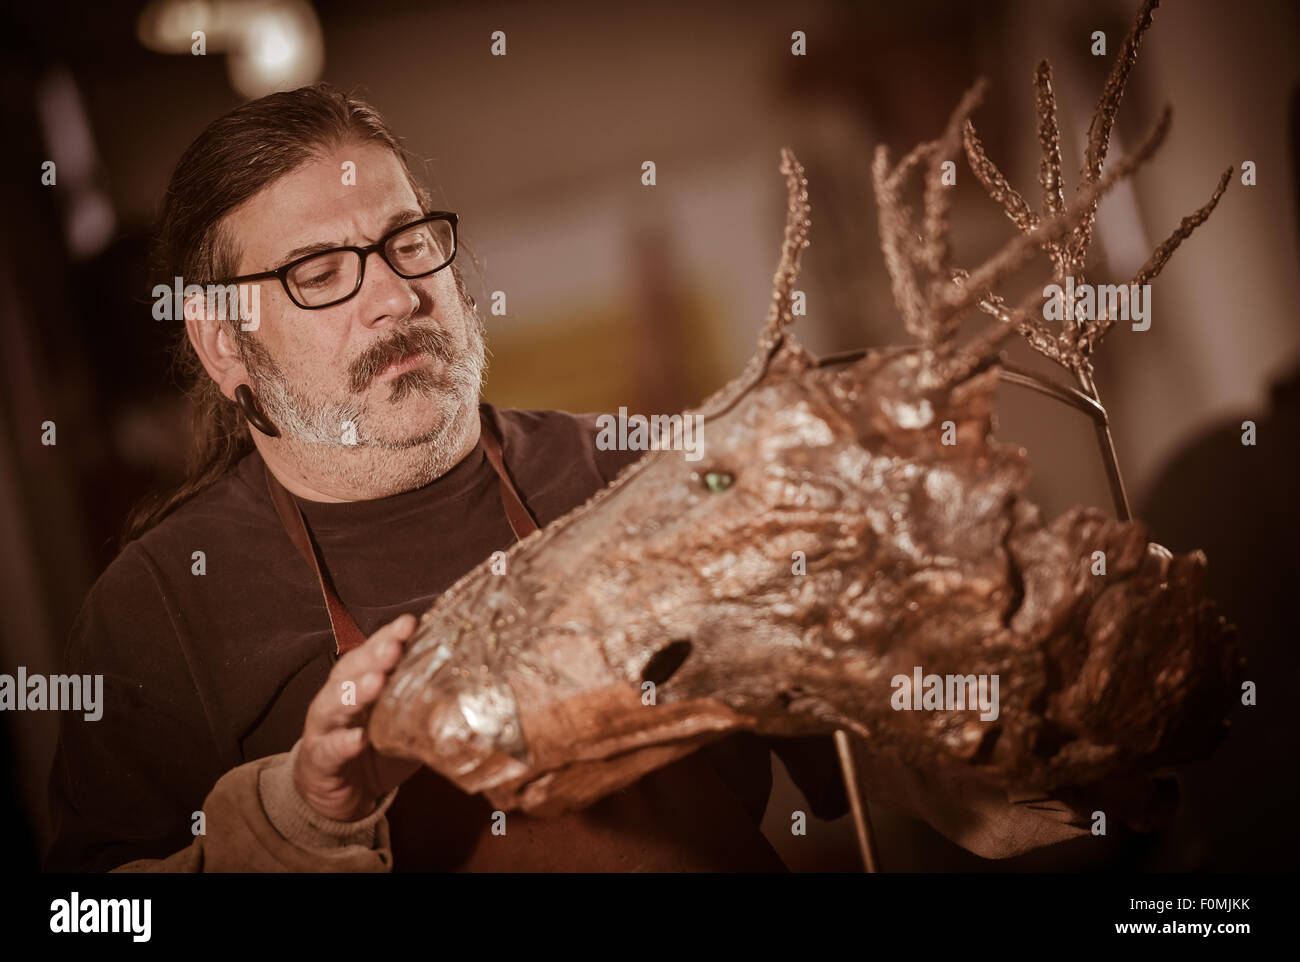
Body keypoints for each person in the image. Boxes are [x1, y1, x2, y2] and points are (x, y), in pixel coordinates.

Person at [41, 84, 848, 873]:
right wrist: (300, 820)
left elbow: (907, 768)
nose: (394, 297)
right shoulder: (159, 606)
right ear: (223, 343)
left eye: (409, 242)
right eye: (318, 274)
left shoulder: (650, 473)